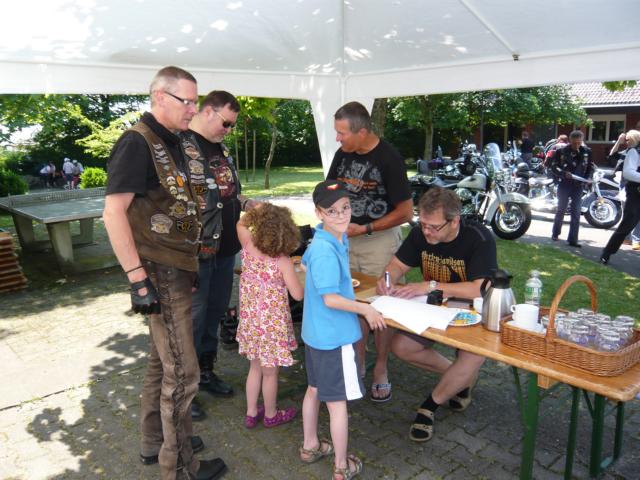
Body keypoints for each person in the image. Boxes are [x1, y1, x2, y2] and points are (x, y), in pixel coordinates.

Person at [103, 66, 227, 480]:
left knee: (162, 361)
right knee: (184, 373)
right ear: (159, 97)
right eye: (186, 101)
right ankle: (180, 468)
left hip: (179, 266)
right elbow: (113, 213)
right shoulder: (136, 142)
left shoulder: (177, 141)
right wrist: (137, 279)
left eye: (195, 101)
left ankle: (154, 441)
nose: (193, 109)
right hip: (159, 270)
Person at [378, 187, 497, 442]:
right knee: (401, 347)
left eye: (433, 227)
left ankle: (429, 406)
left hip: (473, 310)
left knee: (473, 354)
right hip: (434, 307)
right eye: (422, 224)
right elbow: (397, 265)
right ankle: (461, 379)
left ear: (454, 221)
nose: (426, 232)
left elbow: (479, 288)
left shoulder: (479, 237)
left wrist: (430, 286)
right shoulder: (421, 233)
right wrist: (388, 280)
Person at [326, 101, 413, 403]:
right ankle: (358, 360)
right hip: (346, 240)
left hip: (379, 241)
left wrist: (365, 228)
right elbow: (330, 189)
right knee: (353, 302)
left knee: (382, 304)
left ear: (362, 132)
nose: (337, 138)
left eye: (342, 133)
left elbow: (406, 212)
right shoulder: (343, 154)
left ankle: (381, 367)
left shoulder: (389, 158)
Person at [300, 179, 386, 480]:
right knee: (337, 405)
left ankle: (310, 446)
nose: (341, 215)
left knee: (314, 390)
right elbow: (331, 299)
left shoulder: (327, 237)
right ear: (319, 212)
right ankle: (340, 466)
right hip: (333, 338)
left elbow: (306, 266)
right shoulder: (326, 249)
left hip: (315, 334)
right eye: (332, 211)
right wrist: (365, 308)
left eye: (345, 208)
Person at [182, 90, 258, 416]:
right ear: (208, 111)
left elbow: (225, 193)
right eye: (226, 123)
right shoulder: (181, 147)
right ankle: (184, 391)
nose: (228, 130)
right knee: (192, 322)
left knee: (214, 315)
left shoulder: (220, 148)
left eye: (232, 126)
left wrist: (246, 202)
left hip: (226, 249)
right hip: (196, 253)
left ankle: (205, 372)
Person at [236, 203, 303, 429]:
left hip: (251, 324)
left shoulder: (247, 246)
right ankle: (271, 414)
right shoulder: (283, 262)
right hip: (271, 329)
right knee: (270, 373)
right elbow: (298, 294)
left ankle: (251, 412)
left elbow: (240, 223)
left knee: (255, 368)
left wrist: (259, 210)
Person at [600, 129, 640, 264]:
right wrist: (618, 141)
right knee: (627, 224)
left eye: (628, 140)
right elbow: (628, 172)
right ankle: (607, 252)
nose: (627, 142)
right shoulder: (634, 152)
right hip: (635, 192)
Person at [550, 130, 593, 248]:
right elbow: (553, 167)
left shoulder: (587, 152)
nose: (577, 145)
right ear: (570, 141)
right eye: (574, 143)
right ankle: (555, 233)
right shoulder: (561, 151)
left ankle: (573, 239)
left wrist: (588, 178)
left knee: (576, 211)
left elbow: (590, 167)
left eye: (579, 143)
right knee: (561, 209)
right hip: (564, 184)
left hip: (578, 186)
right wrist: (564, 173)